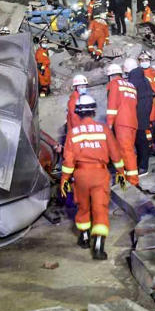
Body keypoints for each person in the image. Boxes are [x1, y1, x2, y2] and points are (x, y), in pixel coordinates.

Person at [60, 94, 127, 260]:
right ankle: (98, 245)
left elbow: (68, 160)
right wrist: (121, 173)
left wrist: (64, 180)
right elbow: (115, 153)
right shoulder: (103, 129)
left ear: (78, 112)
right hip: (100, 175)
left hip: (80, 175)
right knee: (100, 208)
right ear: (94, 110)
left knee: (83, 206)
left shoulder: (73, 132)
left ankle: (83, 237)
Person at [105, 62, 140, 185]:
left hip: (121, 122)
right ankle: (124, 177)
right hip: (133, 122)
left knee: (126, 151)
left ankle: (133, 181)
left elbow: (112, 106)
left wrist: (109, 124)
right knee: (126, 150)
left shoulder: (114, 84)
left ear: (110, 76)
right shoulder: (130, 85)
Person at [123, 57, 155, 175]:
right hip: (145, 113)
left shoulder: (133, 81)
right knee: (143, 140)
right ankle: (142, 164)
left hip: (138, 115)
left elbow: (129, 99)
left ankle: (142, 166)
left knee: (140, 141)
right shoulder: (143, 78)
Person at [139, 52, 155, 147]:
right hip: (147, 103)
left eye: (146, 60)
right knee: (148, 124)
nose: (144, 62)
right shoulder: (138, 73)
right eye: (142, 60)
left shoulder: (154, 72)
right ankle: (149, 144)